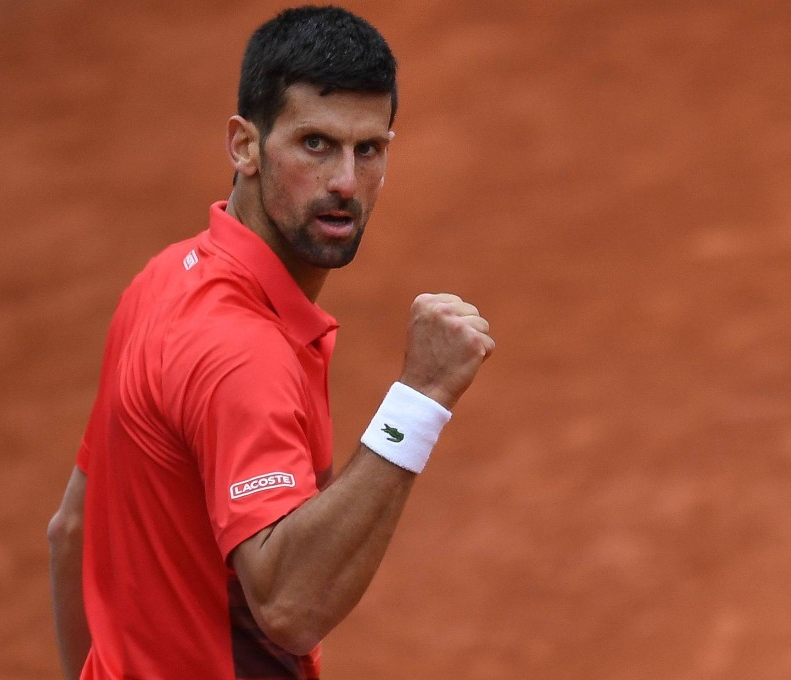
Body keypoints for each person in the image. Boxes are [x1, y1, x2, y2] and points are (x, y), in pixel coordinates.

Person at [47, 6, 494, 679]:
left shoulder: (163, 281)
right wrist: (421, 398)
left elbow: (70, 534)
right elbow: (290, 605)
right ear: (244, 145)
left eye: (368, 149)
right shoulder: (240, 354)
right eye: (316, 144)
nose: (345, 182)